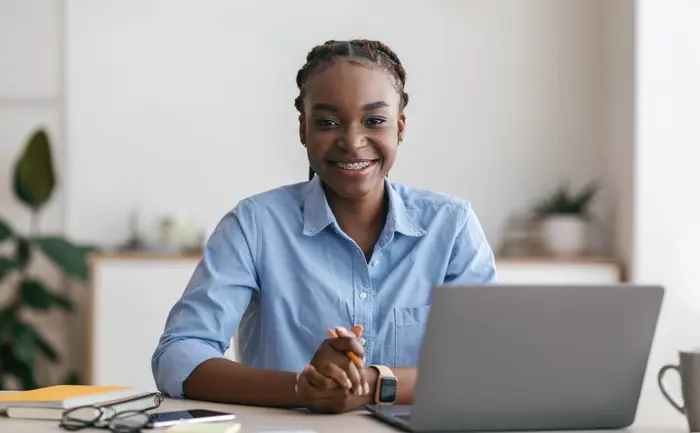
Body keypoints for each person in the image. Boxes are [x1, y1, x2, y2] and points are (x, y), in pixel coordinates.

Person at [151, 39, 497, 414]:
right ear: (304, 129)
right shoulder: (254, 225)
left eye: (374, 121)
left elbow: (487, 367)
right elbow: (179, 354)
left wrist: (371, 384)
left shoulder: (452, 227)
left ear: (399, 127)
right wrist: (303, 388)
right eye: (328, 122)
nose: (352, 141)